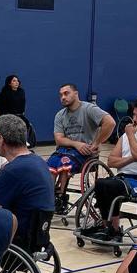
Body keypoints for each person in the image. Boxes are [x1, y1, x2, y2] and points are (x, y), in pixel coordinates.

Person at [87, 97, 137, 244]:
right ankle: (107, 227)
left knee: (111, 186)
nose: (134, 119)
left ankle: (114, 229)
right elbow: (111, 161)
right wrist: (131, 158)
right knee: (101, 184)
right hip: (123, 178)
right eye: (134, 115)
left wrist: (131, 135)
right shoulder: (125, 136)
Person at [48, 83, 116, 212]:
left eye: (66, 93)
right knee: (49, 165)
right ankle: (49, 196)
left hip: (86, 153)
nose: (63, 97)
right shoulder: (60, 115)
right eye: (61, 95)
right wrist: (76, 144)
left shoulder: (89, 109)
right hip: (66, 150)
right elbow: (59, 139)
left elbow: (110, 123)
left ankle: (61, 197)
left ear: (76, 94)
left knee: (64, 164)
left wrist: (96, 143)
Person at [0, 114, 55, 246]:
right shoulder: (38, 161)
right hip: (38, 232)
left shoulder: (13, 170)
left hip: (19, 236)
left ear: (1, 139)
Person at [0, 74, 34, 146]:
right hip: (8, 116)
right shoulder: (5, 92)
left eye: (17, 81)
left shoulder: (21, 91)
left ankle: (23, 143)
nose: (17, 82)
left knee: (26, 127)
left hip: (20, 115)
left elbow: (22, 104)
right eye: (14, 81)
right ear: (9, 83)